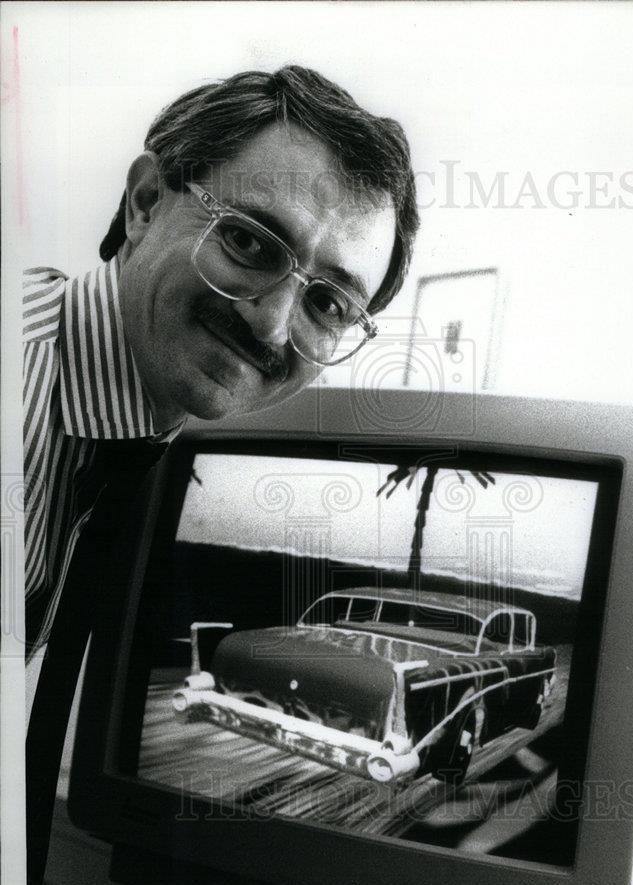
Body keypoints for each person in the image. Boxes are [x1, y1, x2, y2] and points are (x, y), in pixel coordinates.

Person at [23, 65, 420, 660]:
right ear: (147, 202)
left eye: (329, 304)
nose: (273, 324)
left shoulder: (126, 430)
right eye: (250, 241)